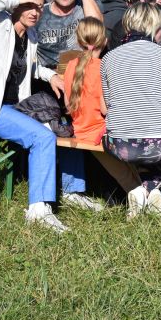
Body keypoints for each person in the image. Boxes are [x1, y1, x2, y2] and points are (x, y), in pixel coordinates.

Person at [0, 0, 96, 233]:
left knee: (65, 127)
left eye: (39, 7)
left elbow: (28, 65)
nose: (34, 11)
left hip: (15, 108)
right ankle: (38, 210)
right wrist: (14, 0)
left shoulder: (30, 36)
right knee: (42, 137)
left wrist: (50, 76)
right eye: (28, 5)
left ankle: (72, 191)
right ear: (15, 3)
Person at [102, 2, 161, 217]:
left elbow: (109, 102)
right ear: (153, 28)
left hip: (118, 144)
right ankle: (150, 186)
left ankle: (138, 189)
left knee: (131, 146)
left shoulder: (108, 58)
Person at [61, 17, 142, 194]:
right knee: (126, 172)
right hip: (100, 133)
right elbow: (106, 109)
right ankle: (142, 197)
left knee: (126, 169)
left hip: (80, 130)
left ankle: (144, 195)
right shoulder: (105, 67)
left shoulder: (71, 66)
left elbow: (68, 104)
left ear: (78, 41)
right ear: (105, 41)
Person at [35, 0, 103, 67]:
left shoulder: (86, 6)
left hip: (80, 72)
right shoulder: (39, 13)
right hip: (47, 74)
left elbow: (97, 30)